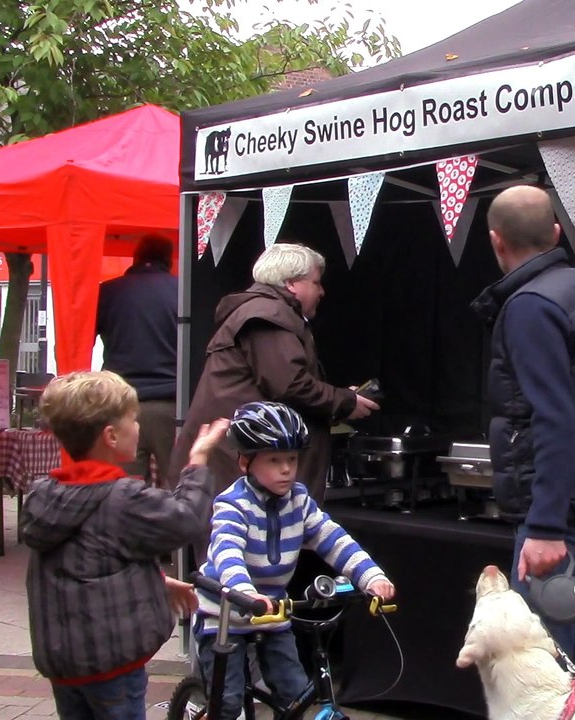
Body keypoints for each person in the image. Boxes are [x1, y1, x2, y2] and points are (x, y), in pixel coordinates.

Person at [470, 185, 575, 688]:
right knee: (573, 664)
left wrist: (544, 526)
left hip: (561, 520)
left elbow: (556, 419)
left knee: (546, 673)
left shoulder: (531, 306)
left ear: (496, 242)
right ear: (557, 232)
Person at [21, 370, 223, 720]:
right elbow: (185, 518)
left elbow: (85, 564)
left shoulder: (45, 497)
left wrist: (154, 581)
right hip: (112, 664)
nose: (139, 427)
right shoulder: (121, 498)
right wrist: (199, 460)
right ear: (111, 436)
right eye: (133, 419)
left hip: (65, 665)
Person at [194, 401, 395, 720]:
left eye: (292, 459)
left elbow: (333, 539)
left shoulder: (299, 501)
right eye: (274, 460)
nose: (286, 469)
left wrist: (371, 577)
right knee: (227, 704)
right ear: (245, 462)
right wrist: (245, 592)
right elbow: (227, 551)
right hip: (225, 613)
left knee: (294, 695)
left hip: (274, 612)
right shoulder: (232, 505)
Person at [171, 243, 380, 503]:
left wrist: (338, 398)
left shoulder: (265, 312)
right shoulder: (268, 316)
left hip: (240, 456)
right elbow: (290, 386)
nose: (322, 291)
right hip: (239, 462)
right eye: (316, 283)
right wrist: (344, 401)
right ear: (291, 283)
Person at [96, 234, 179, 488]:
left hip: (122, 405)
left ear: (136, 257)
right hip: (171, 405)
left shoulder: (107, 292)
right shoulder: (184, 291)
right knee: (177, 485)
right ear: (169, 259)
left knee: (123, 486)